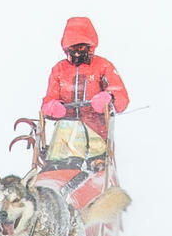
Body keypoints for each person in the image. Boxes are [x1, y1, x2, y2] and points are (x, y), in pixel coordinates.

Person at [40, 17, 129, 162]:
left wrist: (109, 97)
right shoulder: (59, 70)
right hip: (66, 137)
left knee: (93, 155)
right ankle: (57, 170)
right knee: (64, 132)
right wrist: (52, 107)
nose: (76, 53)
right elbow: (48, 100)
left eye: (80, 48)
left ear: (89, 46)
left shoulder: (103, 66)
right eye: (72, 49)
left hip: (96, 134)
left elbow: (121, 98)